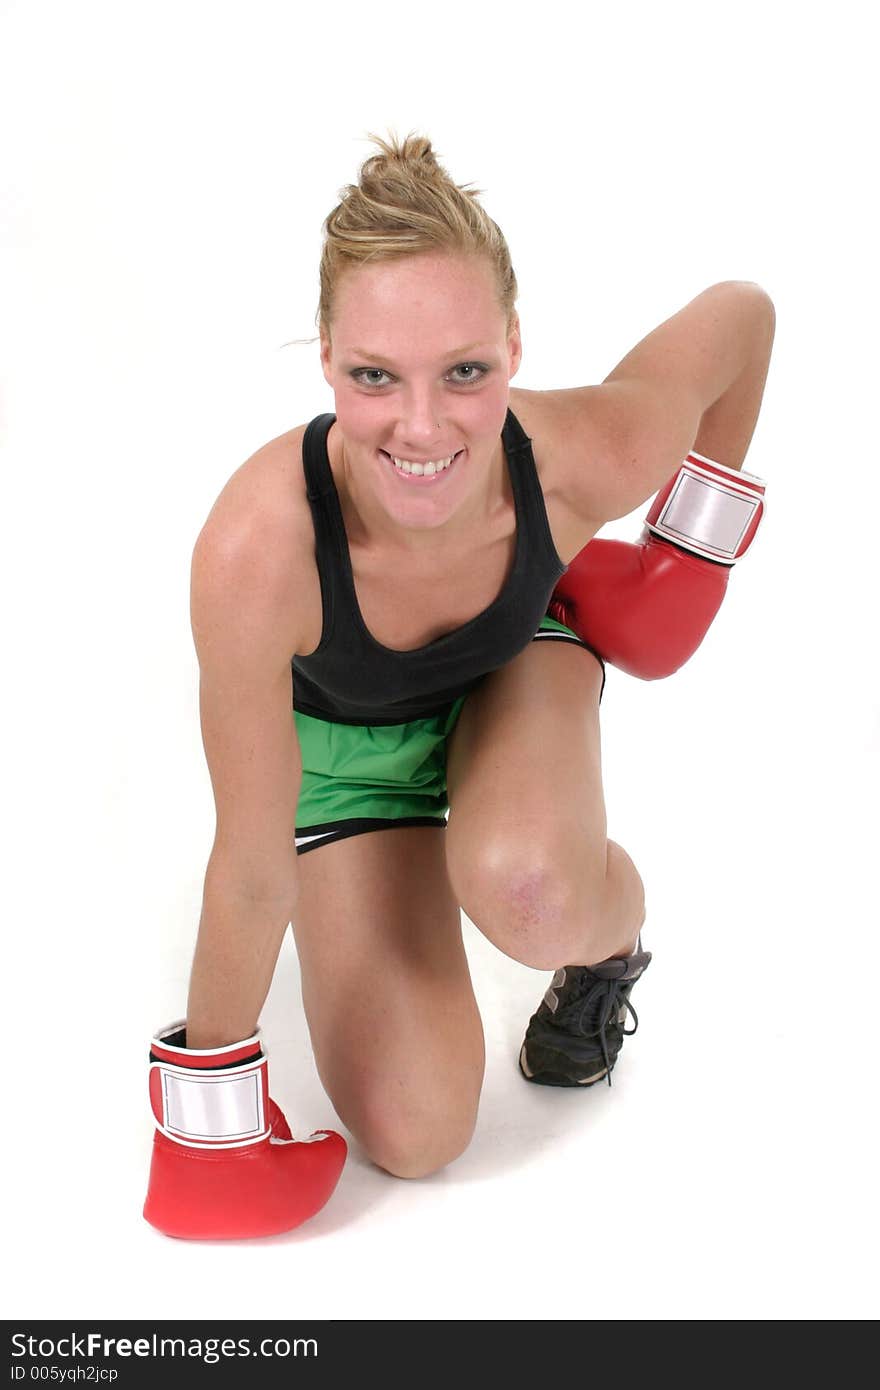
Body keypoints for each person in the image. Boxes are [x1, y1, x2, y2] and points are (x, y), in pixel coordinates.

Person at [143, 132, 775, 1239]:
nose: (422, 426)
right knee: (419, 1132)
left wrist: (691, 550)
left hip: (510, 671)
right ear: (326, 359)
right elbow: (248, 866)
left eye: (465, 372)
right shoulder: (257, 554)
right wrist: (207, 1115)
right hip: (343, 766)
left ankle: (609, 941)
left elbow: (743, 317)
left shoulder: (585, 451)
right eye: (375, 376)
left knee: (535, 891)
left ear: (514, 349)